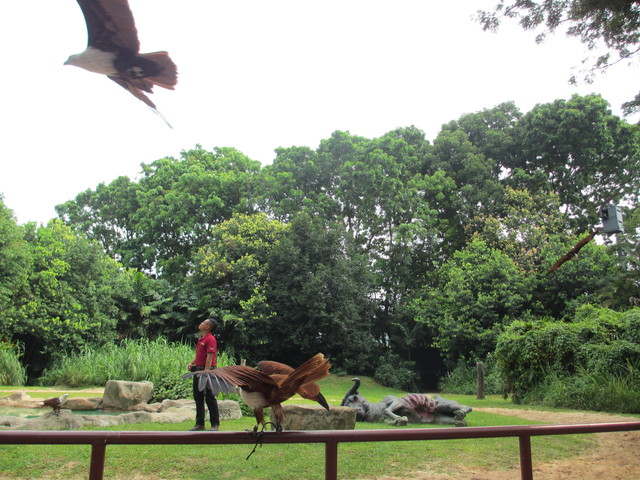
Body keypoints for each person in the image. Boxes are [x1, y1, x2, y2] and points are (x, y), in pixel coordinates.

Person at [187, 317, 220, 431]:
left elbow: (210, 356)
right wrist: (192, 363)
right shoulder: (201, 339)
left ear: (207, 327)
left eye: (203, 322)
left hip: (208, 371)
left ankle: (215, 424)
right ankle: (200, 424)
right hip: (198, 370)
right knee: (198, 396)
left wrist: (206, 371)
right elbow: (200, 356)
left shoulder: (210, 339)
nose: (200, 323)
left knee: (210, 397)